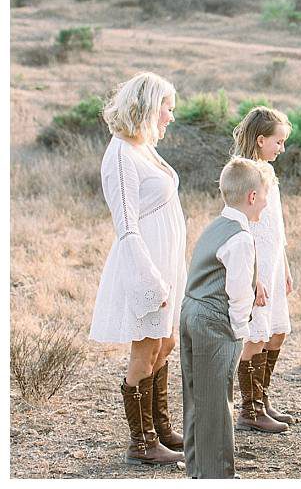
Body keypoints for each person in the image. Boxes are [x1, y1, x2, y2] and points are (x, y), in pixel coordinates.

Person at [89, 72, 186, 466]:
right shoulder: (120, 155)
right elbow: (127, 226)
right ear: (148, 106)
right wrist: (151, 281)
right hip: (145, 268)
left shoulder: (143, 147)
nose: (171, 117)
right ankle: (141, 443)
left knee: (166, 344)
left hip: (166, 262)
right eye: (168, 108)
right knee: (145, 352)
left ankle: (159, 428)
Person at [180, 157, 275, 478]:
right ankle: (218, 474)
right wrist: (239, 330)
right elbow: (238, 292)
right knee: (218, 400)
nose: (265, 202)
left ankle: (198, 469)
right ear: (251, 197)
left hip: (191, 311)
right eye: (264, 195)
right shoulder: (240, 237)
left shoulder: (215, 225)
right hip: (214, 321)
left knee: (196, 396)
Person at [231, 107, 295, 434]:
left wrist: (283, 268)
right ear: (260, 140)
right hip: (255, 267)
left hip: (273, 264)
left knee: (277, 330)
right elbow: (247, 229)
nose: (282, 148)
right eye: (278, 142)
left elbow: (276, 228)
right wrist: (254, 276)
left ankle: (262, 398)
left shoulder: (268, 173)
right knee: (256, 336)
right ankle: (249, 409)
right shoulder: (247, 175)